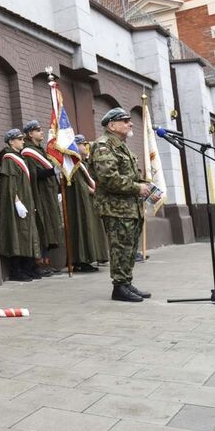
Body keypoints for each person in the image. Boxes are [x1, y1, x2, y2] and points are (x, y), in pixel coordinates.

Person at [90, 108, 152, 302]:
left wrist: (148, 187)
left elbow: (130, 175)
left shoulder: (121, 146)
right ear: (112, 125)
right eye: (125, 120)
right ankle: (119, 288)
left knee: (129, 248)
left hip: (130, 208)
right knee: (120, 248)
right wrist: (137, 188)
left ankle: (126, 282)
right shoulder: (103, 146)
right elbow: (109, 179)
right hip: (116, 209)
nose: (130, 123)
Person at [0, 129, 41, 282]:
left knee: (26, 234)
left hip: (25, 201)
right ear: (11, 141)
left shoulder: (18, 157)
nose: (23, 142)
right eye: (19, 139)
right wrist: (16, 201)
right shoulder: (9, 158)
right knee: (17, 234)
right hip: (17, 203)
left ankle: (27, 268)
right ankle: (16, 270)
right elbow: (10, 184)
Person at [21, 120, 61, 276]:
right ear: (30, 134)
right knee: (42, 227)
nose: (42, 132)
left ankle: (46, 261)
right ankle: (39, 263)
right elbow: (34, 174)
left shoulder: (40, 150)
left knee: (50, 227)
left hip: (48, 195)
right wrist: (53, 171)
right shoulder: (28, 152)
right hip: (39, 196)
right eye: (38, 130)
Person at [66, 134, 109, 273]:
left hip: (90, 202)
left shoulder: (84, 163)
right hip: (82, 203)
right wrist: (93, 191)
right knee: (83, 228)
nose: (86, 147)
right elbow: (80, 185)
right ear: (76, 146)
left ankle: (92, 258)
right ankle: (81, 261)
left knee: (93, 228)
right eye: (83, 144)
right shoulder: (75, 165)